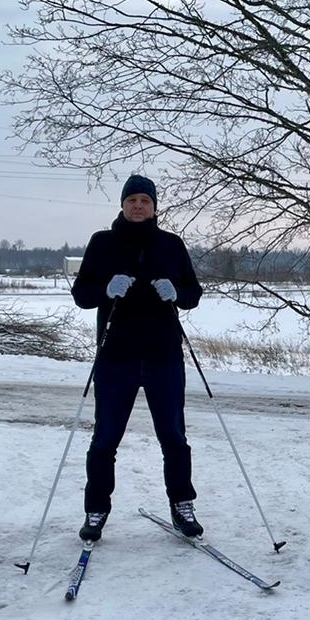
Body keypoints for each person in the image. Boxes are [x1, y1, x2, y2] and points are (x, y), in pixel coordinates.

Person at [70, 174, 203, 542]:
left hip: (164, 355)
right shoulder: (103, 243)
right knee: (105, 439)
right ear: (123, 205)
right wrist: (105, 289)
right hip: (116, 357)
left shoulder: (171, 245)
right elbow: (81, 294)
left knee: (174, 437)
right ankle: (95, 510)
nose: (139, 206)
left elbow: (193, 293)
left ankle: (182, 506)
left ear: (155, 206)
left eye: (145, 200)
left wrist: (176, 291)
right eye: (132, 200)